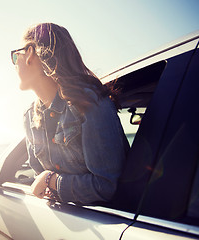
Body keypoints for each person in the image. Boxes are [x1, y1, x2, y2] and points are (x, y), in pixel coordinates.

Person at [11, 23, 129, 204]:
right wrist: (49, 183)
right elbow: (39, 179)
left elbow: (106, 186)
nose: (14, 64)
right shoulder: (30, 118)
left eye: (15, 55)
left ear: (30, 54)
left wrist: (52, 180)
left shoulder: (89, 103)